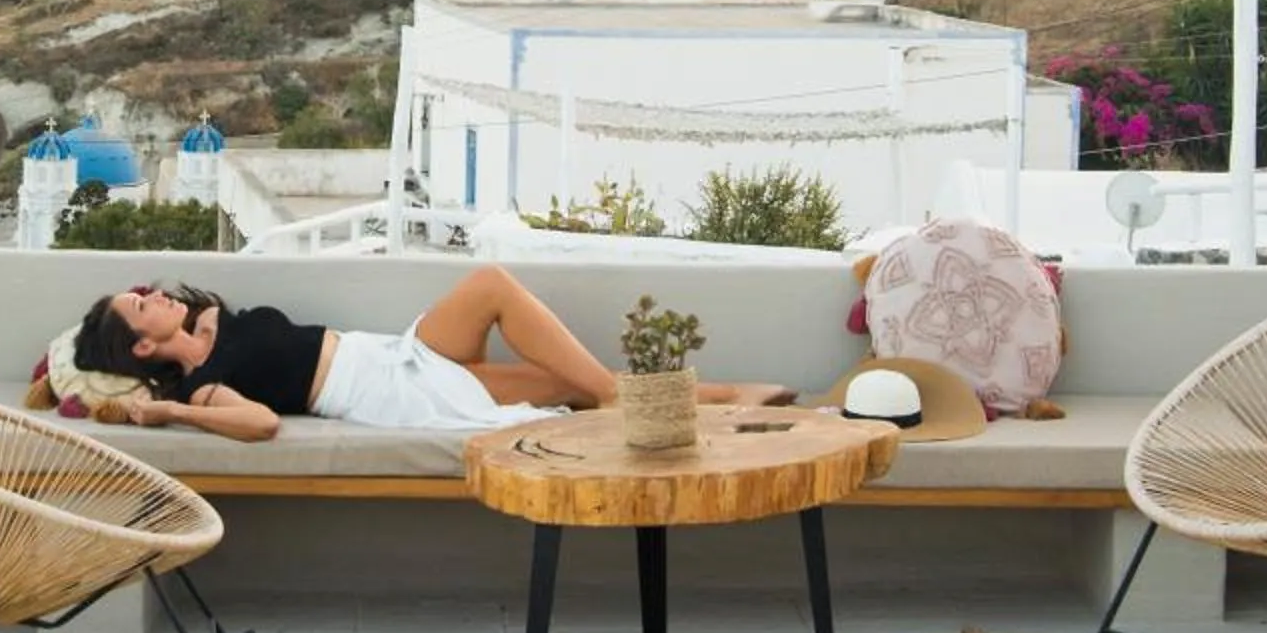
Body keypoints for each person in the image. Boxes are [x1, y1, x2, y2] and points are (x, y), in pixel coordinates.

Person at [69, 264, 792, 442]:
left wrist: (197, 325)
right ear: (139, 343)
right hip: (384, 393)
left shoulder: (209, 319)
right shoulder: (205, 388)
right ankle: (729, 400)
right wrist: (164, 410)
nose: (155, 293)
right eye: (141, 304)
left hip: (393, 353)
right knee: (564, 389)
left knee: (490, 287)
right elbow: (262, 425)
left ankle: (717, 401)